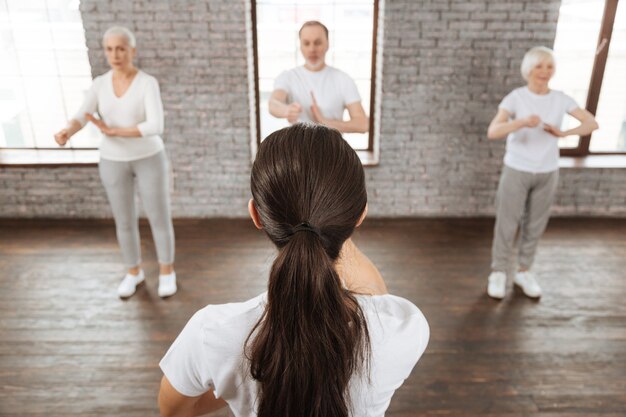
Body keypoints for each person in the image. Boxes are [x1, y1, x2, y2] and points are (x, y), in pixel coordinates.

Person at [158, 123, 429, 417]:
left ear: (256, 215)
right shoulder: (405, 327)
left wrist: (233, 382)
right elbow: (375, 297)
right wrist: (334, 222)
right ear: (361, 213)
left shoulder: (210, 332)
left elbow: (174, 411)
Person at [53, 26, 177, 299]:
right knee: (123, 220)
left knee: (159, 216)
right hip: (112, 160)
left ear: (132, 50)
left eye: (121, 48)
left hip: (149, 157)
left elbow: (156, 125)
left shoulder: (147, 83)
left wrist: (114, 131)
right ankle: (134, 272)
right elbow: (81, 115)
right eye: (109, 49)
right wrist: (67, 131)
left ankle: (167, 271)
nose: (115, 54)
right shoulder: (99, 84)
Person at [486, 46, 598, 300]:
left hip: (547, 171)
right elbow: (493, 131)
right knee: (507, 223)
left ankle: (523, 271)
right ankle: (498, 272)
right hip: (517, 169)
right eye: (539, 66)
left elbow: (592, 123)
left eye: (549, 67)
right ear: (528, 70)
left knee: (535, 224)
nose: (544, 72)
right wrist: (521, 122)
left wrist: (563, 134)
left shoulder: (560, 98)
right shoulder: (516, 97)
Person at [268, 21, 369, 133]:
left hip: (332, 149)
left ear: (327, 44)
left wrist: (323, 122)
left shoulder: (343, 79)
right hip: (298, 149)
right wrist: (286, 110)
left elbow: (363, 124)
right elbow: (273, 103)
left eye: (318, 43)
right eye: (306, 43)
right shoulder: (288, 77)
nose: (312, 49)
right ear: (300, 46)